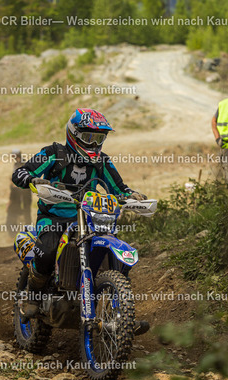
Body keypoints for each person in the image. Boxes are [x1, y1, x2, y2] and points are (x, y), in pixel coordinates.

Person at [12, 108, 146, 319]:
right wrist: (31, 179)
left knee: (111, 250)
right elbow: (21, 172)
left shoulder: (101, 161)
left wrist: (131, 195)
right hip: (53, 217)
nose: (94, 144)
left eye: (99, 138)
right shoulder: (54, 154)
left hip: (88, 218)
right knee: (47, 252)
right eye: (88, 137)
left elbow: (118, 188)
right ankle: (33, 296)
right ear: (74, 134)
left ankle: (122, 314)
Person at [6, 149, 32, 237]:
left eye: (13, 155)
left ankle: (28, 230)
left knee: (26, 210)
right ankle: (17, 229)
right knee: (18, 209)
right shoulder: (17, 164)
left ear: (16, 156)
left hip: (25, 191)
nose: (12, 157)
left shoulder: (23, 164)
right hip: (19, 191)